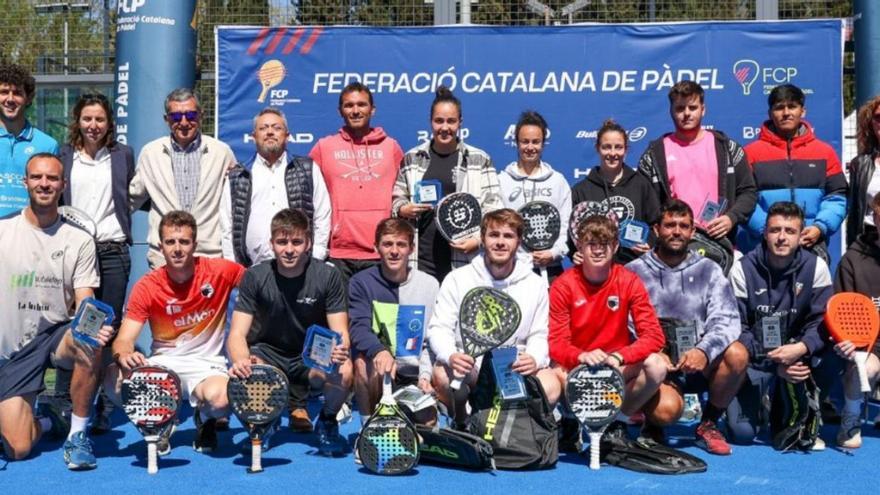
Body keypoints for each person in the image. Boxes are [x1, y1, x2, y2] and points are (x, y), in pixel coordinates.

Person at [0, 153, 110, 470]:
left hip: (53, 337)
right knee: (18, 448)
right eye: (37, 177)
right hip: (11, 351)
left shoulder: (79, 239)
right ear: (25, 182)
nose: (44, 184)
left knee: (90, 342)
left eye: (51, 179)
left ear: (63, 185)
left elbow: (86, 301)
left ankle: (77, 435)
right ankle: (49, 420)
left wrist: (92, 328)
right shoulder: (4, 229)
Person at [104, 210, 244, 454]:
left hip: (207, 366)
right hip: (164, 365)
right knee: (112, 378)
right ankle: (161, 421)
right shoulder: (147, 286)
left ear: (195, 245)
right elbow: (124, 339)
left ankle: (205, 419)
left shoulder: (220, 271)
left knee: (222, 400)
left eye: (184, 242)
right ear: (161, 246)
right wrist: (123, 354)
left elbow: (261, 283)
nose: (177, 249)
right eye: (170, 242)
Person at [227, 208, 353, 456]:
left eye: (297, 242)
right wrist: (240, 360)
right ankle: (263, 423)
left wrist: (339, 350)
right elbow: (236, 334)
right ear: (272, 244)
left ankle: (327, 422)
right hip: (267, 354)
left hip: (310, 356)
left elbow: (341, 332)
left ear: (308, 243)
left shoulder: (328, 276)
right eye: (282, 242)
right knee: (243, 371)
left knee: (345, 370)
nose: (289, 249)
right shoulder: (255, 276)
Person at [626, 200, 748, 455]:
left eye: (684, 226)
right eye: (670, 225)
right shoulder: (633, 272)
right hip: (658, 366)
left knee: (737, 354)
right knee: (666, 411)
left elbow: (726, 319)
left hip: (701, 362)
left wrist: (703, 351)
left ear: (693, 232)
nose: (677, 231)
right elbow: (624, 325)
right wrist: (649, 354)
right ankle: (653, 422)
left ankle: (709, 423)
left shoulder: (710, 270)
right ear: (656, 229)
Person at [427, 209, 558, 426]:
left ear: (518, 242)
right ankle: (463, 423)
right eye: (494, 235)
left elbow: (539, 333)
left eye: (508, 236)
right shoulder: (457, 279)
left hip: (515, 367)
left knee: (551, 386)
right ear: (482, 239)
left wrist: (534, 358)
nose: (500, 242)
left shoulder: (535, 284)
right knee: (442, 375)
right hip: (472, 366)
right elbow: (439, 328)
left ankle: (513, 430)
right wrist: (451, 355)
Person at [53, 92, 136, 433]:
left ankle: (99, 403)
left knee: (105, 330)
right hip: (73, 252)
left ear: (109, 124)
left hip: (112, 251)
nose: (93, 125)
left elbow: (134, 193)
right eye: (87, 118)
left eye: (100, 119)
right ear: (78, 121)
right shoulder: (64, 155)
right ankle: (63, 401)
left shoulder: (123, 155)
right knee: (71, 323)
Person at [548, 214, 667, 450]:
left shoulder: (629, 281)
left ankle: (617, 423)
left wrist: (619, 357)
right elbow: (556, 342)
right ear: (580, 246)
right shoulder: (563, 284)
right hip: (577, 369)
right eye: (592, 243)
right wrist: (580, 356)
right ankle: (570, 421)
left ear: (615, 246)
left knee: (656, 365)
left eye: (605, 244)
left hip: (615, 367)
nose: (598, 250)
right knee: (553, 373)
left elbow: (654, 335)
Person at [726, 201, 832, 446]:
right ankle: (761, 401)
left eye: (790, 231)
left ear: (800, 235)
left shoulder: (817, 267)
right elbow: (736, 328)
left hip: (797, 357)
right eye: (775, 230)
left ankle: (799, 410)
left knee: (835, 354)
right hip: (758, 358)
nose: (782, 237)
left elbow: (822, 323)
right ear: (765, 232)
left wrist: (802, 349)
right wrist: (774, 363)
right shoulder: (742, 269)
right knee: (741, 434)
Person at [392, 86, 502, 282]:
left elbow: (494, 208)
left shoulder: (479, 158)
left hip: (464, 258)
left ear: (460, 122)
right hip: (421, 258)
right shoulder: (412, 158)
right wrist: (403, 209)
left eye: (451, 121)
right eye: (439, 121)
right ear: (430, 122)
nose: (445, 127)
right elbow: (397, 197)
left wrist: (478, 241)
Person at [638, 80, 756, 246]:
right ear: (671, 111)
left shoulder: (728, 149)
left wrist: (731, 218)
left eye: (692, 107)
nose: (686, 113)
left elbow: (748, 192)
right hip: (673, 246)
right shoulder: (653, 156)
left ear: (703, 109)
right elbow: (646, 206)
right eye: (680, 108)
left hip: (718, 243)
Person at [130, 88, 236, 268]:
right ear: (166, 120)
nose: (184, 122)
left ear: (201, 116)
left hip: (208, 257)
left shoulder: (222, 152)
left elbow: (235, 202)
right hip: (165, 257)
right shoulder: (150, 153)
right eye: (176, 117)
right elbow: (131, 198)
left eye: (191, 115)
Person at [309, 82, 403, 282]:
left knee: (380, 314)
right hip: (338, 253)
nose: (355, 111)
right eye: (349, 105)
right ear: (340, 111)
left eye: (361, 105)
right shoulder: (324, 148)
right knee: (338, 314)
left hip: (381, 251)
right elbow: (305, 191)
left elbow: (404, 192)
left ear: (372, 109)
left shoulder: (391, 147)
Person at [349, 218, 438, 424]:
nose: (394, 251)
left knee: (427, 424)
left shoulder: (430, 285)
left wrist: (425, 376)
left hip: (415, 374)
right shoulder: (361, 282)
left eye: (401, 244)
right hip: (382, 371)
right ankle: (367, 427)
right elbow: (359, 327)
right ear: (376, 247)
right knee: (362, 363)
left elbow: (432, 338)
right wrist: (379, 350)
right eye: (387, 244)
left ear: (411, 249)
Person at [739, 84, 847, 254]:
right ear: (770, 113)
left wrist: (820, 227)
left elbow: (837, 196)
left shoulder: (824, 152)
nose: (786, 112)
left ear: (802, 111)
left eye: (792, 106)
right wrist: (769, 231)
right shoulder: (750, 153)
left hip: (811, 244)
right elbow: (743, 199)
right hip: (762, 247)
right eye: (779, 107)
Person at [222, 107, 331, 266]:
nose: (270, 132)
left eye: (276, 128)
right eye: (263, 128)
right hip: (252, 269)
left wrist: (316, 257)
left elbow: (322, 214)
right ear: (254, 136)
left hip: (301, 268)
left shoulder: (307, 169)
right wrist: (233, 266)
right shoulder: (238, 175)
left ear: (287, 136)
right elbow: (227, 225)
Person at [571, 118, 660, 264]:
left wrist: (648, 243)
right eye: (607, 147)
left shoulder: (641, 184)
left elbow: (656, 225)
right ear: (597, 148)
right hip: (596, 273)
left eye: (618, 147)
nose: (612, 153)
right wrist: (574, 253)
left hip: (635, 269)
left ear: (626, 149)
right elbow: (572, 235)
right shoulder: (581, 190)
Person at [831, 192, 880, 448]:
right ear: (875, 219)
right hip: (870, 345)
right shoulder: (853, 259)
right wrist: (847, 342)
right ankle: (850, 419)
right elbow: (841, 312)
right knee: (864, 367)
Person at [499, 110, 572, 281]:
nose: (530, 147)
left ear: (543, 143)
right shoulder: (501, 181)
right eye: (525, 142)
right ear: (516, 143)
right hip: (513, 270)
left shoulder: (557, 181)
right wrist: (522, 257)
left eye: (535, 142)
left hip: (552, 271)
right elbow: (498, 228)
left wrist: (554, 253)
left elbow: (565, 225)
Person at [0, 63, 59, 217]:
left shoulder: (47, 145)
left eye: (17, 93)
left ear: (28, 98)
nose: (10, 99)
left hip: (29, 234)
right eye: (4, 92)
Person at [844, 95, 880, 246]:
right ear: (871, 123)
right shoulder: (860, 164)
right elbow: (854, 213)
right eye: (878, 117)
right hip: (867, 242)